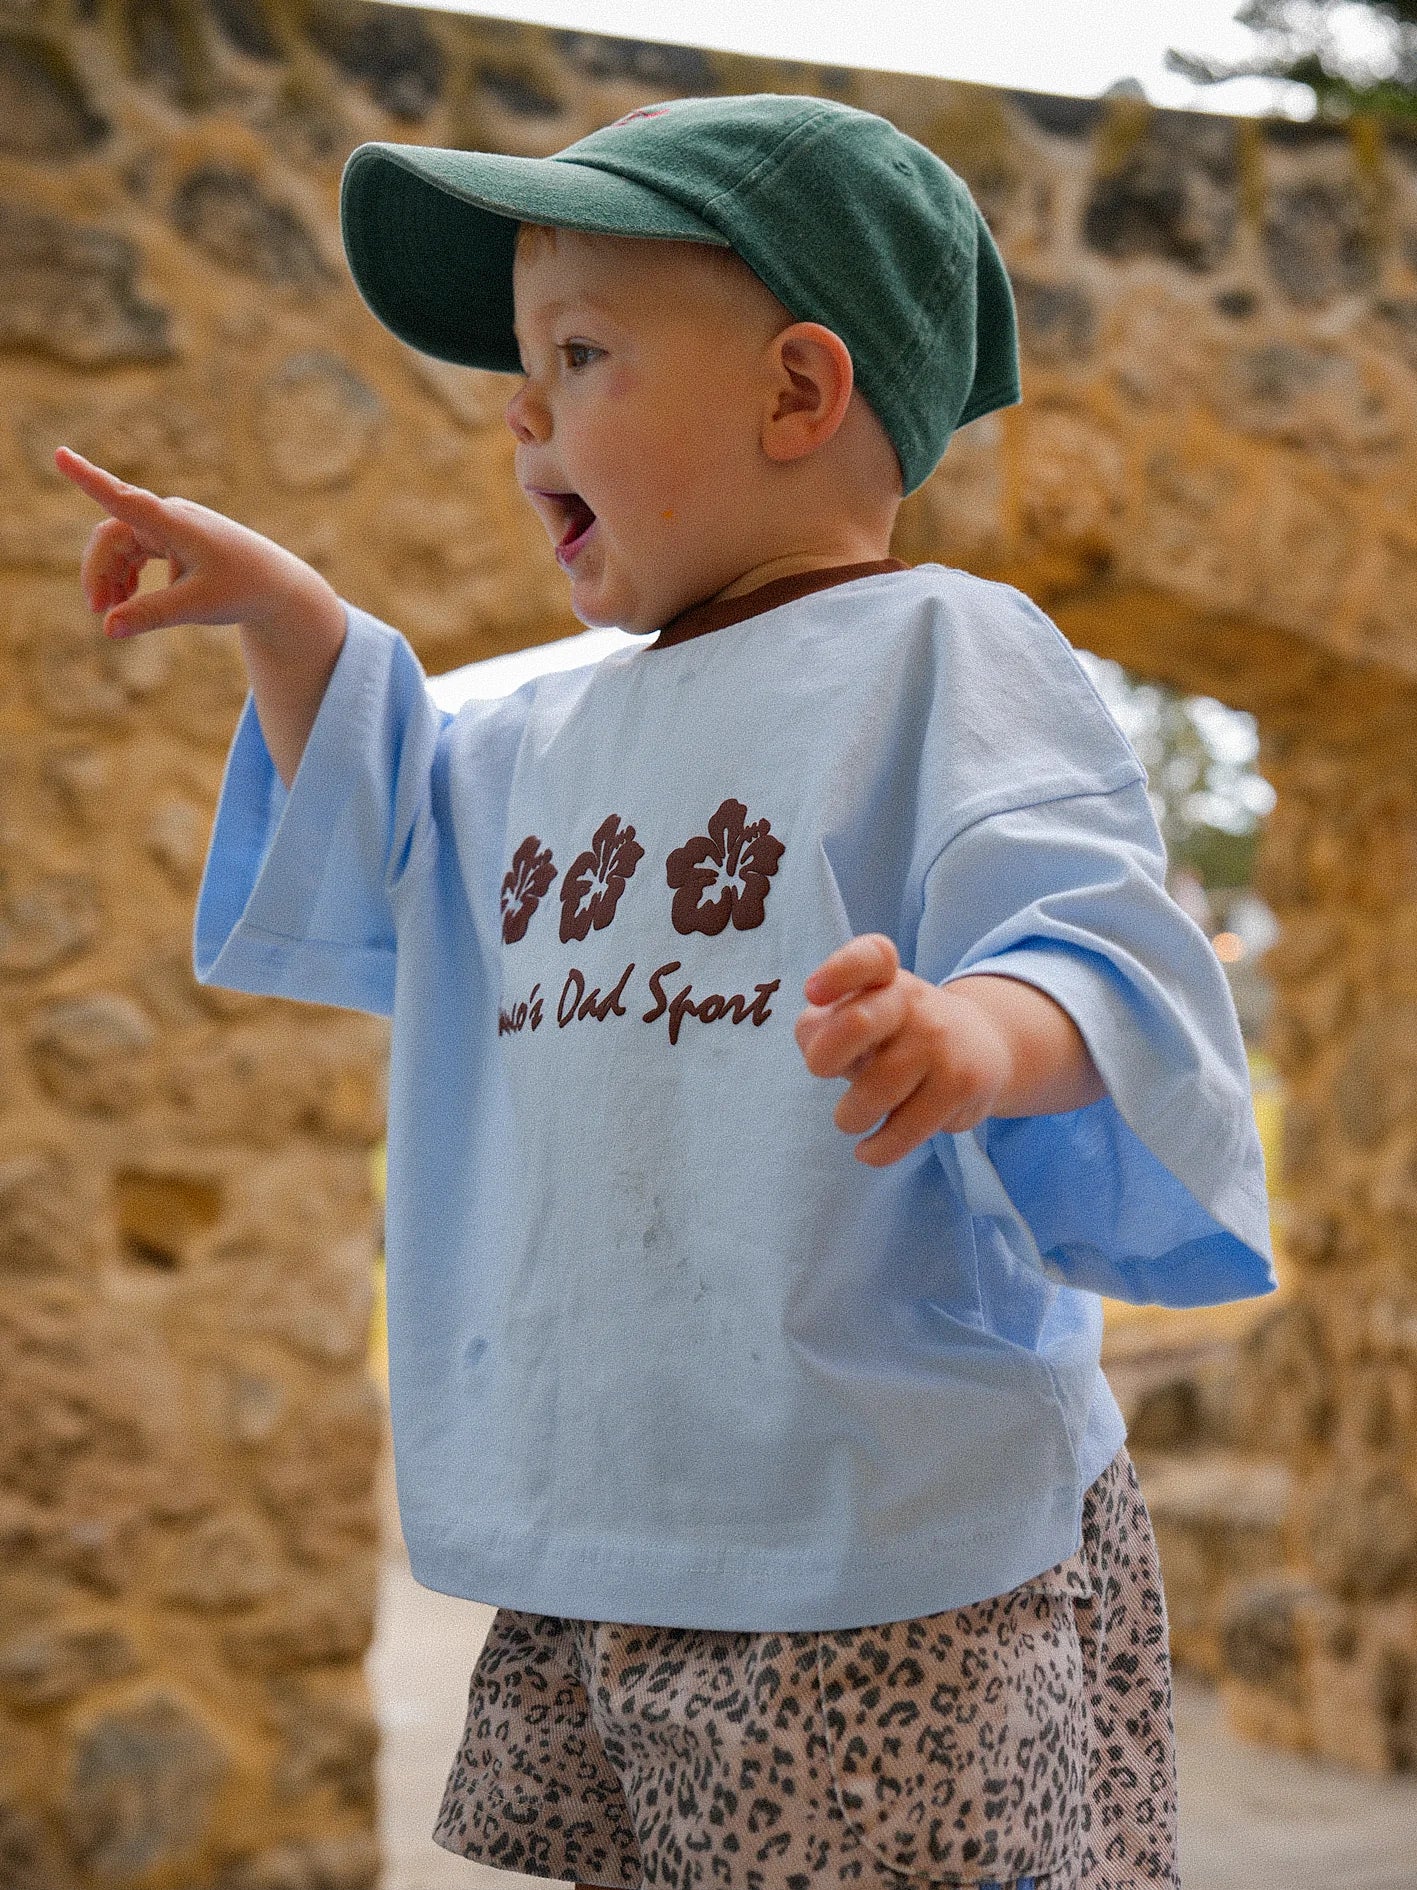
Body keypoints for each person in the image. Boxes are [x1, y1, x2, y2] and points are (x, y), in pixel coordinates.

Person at [58, 93, 1275, 1890]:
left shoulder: (941, 649)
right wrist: (293, 622)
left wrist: (965, 1036)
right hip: (620, 1519)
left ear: (799, 393)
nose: (519, 406)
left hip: (879, 1528)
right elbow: (400, 821)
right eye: (523, 365)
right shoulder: (541, 716)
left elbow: (1085, 949)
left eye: (581, 350)